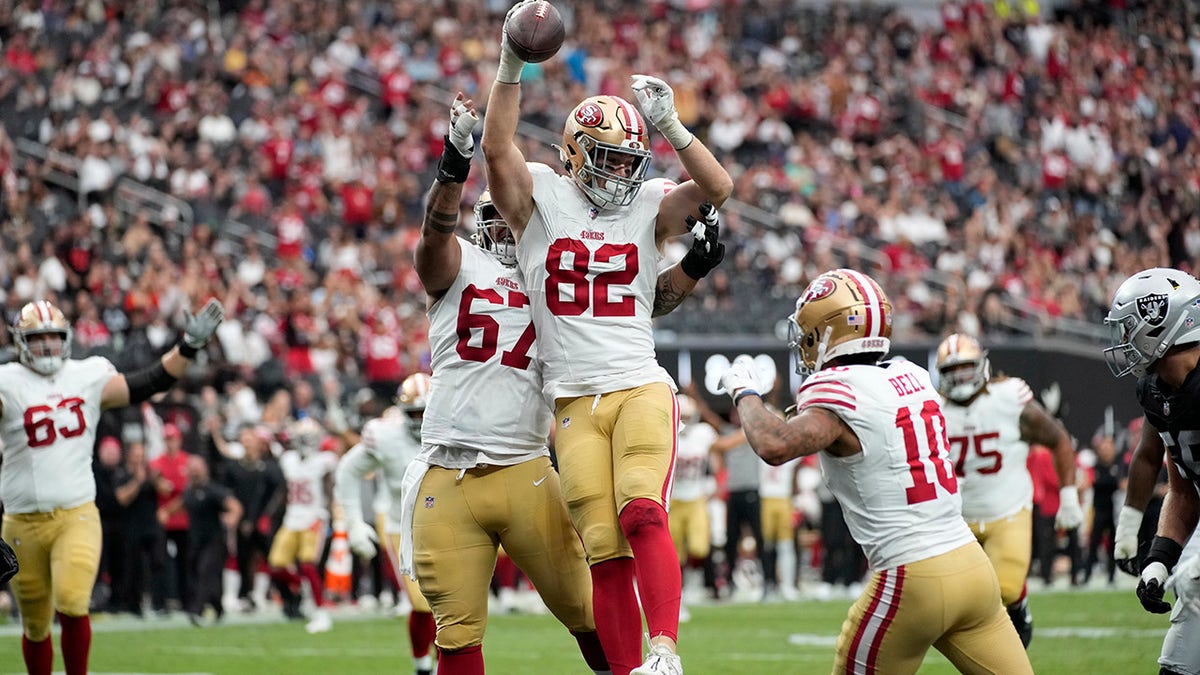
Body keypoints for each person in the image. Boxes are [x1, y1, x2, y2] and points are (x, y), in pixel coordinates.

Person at [482, 6, 733, 669]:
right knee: (602, 547)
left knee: (642, 513)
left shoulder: (648, 204)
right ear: (571, 152)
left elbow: (718, 187)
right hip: (571, 401)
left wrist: (672, 127)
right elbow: (497, 148)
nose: (621, 174)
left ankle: (665, 649)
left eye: (629, 161)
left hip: (637, 385)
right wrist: (512, 64)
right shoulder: (539, 196)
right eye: (607, 158)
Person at [718, 269, 1032, 674]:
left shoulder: (838, 390)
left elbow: (774, 444)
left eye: (809, 333)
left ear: (827, 331)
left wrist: (744, 391)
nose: (805, 343)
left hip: (911, 574)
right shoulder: (914, 376)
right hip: (971, 566)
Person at [400, 93, 608, 675]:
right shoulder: (457, 264)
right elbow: (434, 232)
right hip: (447, 467)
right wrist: (453, 164)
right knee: (457, 634)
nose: (502, 232)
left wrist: (689, 269)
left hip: (524, 467)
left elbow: (628, 307)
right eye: (488, 220)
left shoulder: (558, 281)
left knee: (587, 613)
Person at [0, 298, 223, 675]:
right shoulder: (8, 381)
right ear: (20, 343)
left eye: (54, 337)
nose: (48, 347)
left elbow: (149, 382)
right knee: (35, 624)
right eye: (38, 339)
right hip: (21, 521)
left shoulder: (86, 375)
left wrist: (188, 346)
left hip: (76, 513)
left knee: (72, 601)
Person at [933, 332, 1083, 646]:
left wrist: (1069, 497)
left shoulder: (1008, 398)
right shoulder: (932, 410)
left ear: (982, 366)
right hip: (955, 520)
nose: (959, 377)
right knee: (951, 601)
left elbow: (1058, 439)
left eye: (966, 368)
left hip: (1008, 510)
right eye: (951, 371)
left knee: (1007, 588)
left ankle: (1019, 609)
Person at [1102, 267, 1200, 675]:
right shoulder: (1160, 392)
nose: (1123, 340)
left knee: (1194, 581)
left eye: (1130, 327)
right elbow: (1183, 490)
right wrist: (1161, 557)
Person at [333, 377, 438, 675]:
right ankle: (422, 667)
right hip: (399, 523)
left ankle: (445, 664)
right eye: (413, 413)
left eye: (424, 413)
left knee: (451, 604)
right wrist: (353, 523)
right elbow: (348, 470)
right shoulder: (386, 435)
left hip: (444, 522)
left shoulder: (455, 426)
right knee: (421, 603)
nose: (419, 421)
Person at [265, 416, 339, 633]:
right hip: (291, 518)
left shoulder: (324, 461)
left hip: (314, 518)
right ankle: (307, 590)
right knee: (276, 566)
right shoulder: (289, 459)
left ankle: (321, 613)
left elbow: (330, 484)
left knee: (308, 565)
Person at [668, 394, 718, 621]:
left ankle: (693, 587)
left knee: (699, 548)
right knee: (673, 557)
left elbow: (722, 447)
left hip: (696, 498)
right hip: (673, 502)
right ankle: (680, 598)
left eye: (688, 416)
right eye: (682, 416)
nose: (685, 421)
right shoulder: (665, 436)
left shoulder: (703, 435)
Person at [181, 453, 241, 625]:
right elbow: (182, 504)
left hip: (214, 539)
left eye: (197, 470)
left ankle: (197, 610)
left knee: (205, 571)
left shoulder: (213, 490)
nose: (195, 473)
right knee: (203, 575)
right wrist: (167, 513)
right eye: (192, 470)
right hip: (196, 540)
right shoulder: (189, 491)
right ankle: (218, 607)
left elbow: (234, 506)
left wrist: (232, 518)